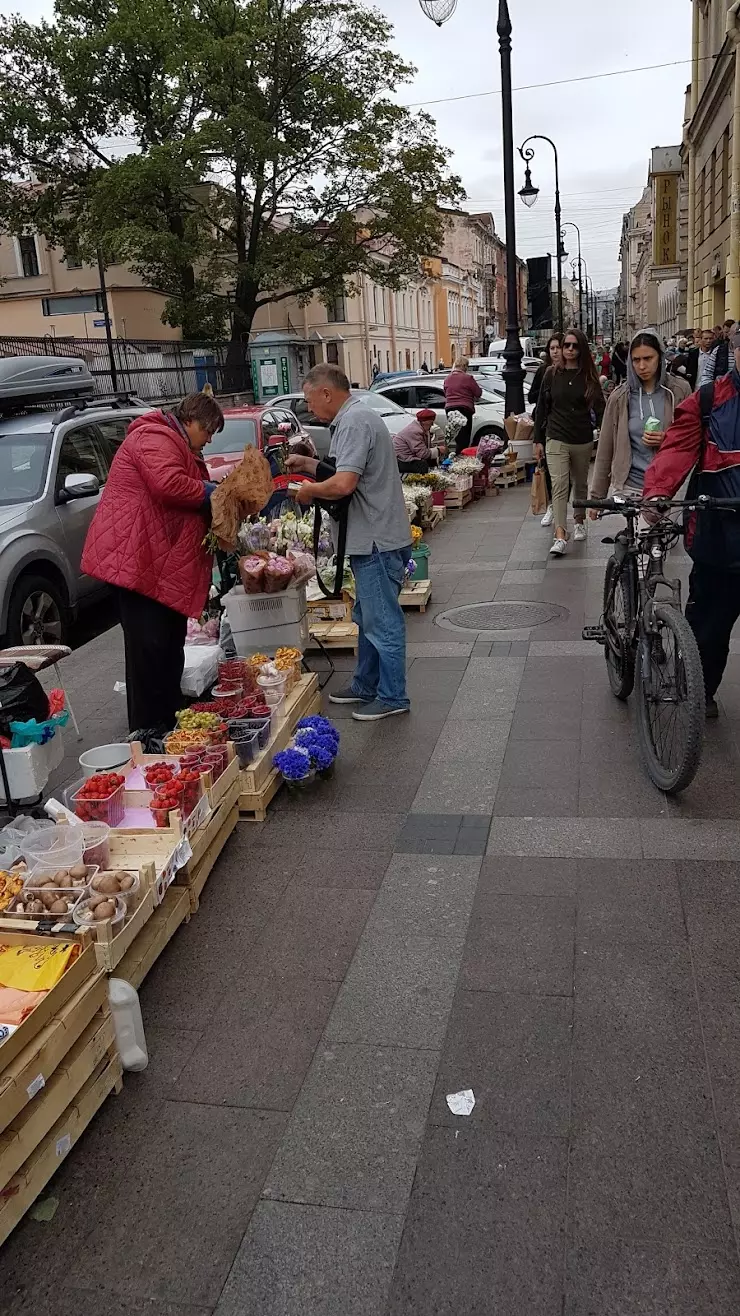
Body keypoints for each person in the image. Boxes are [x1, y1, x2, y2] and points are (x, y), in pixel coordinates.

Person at [81, 392, 223, 734]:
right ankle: (147, 735)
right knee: (149, 653)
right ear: (191, 422)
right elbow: (169, 485)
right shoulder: (153, 436)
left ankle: (169, 725)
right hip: (136, 564)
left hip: (155, 564)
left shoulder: (173, 441)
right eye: (208, 432)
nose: (208, 441)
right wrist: (213, 492)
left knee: (169, 647)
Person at [288, 363, 412, 720]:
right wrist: (309, 464)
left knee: (382, 622)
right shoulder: (355, 418)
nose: (309, 408)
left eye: (311, 400)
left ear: (327, 393)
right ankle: (366, 685)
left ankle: (392, 697)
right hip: (373, 537)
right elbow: (342, 471)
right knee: (367, 616)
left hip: (375, 540)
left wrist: (309, 490)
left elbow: (343, 484)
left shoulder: (355, 422)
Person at [643, 325, 740, 718]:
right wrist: (658, 492)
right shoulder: (709, 399)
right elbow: (676, 449)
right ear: (735, 351)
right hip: (720, 542)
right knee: (709, 633)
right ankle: (702, 695)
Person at [590, 328, 691, 508]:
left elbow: (691, 437)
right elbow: (605, 446)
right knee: (640, 533)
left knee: (663, 534)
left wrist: (666, 438)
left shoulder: (679, 390)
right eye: (636, 360)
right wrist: (597, 497)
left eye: (648, 358)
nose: (642, 366)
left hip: (669, 485)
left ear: (660, 357)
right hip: (631, 485)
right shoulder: (620, 397)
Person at [533, 326, 605, 556]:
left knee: (581, 483)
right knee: (560, 485)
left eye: (575, 345)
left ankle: (580, 520)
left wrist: (605, 434)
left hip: (582, 438)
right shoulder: (551, 374)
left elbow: (601, 408)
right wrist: (538, 440)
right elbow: (542, 409)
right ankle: (560, 534)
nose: (570, 349)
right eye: (566, 345)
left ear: (581, 349)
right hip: (556, 436)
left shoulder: (588, 376)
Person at [529, 333, 563, 527]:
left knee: (567, 474)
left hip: (566, 428)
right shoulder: (543, 371)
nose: (556, 351)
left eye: (558, 347)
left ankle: (569, 510)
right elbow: (533, 397)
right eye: (552, 348)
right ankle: (552, 506)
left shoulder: (571, 370)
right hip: (547, 425)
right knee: (550, 470)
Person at [442, 356, 482, 454]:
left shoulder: (447, 378)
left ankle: (455, 455)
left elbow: (445, 392)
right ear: (465, 366)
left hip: (450, 408)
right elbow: (478, 392)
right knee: (465, 436)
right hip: (464, 408)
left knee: (456, 434)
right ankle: (461, 458)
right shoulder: (468, 378)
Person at [393, 408, 438, 473]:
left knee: (431, 460)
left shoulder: (422, 428)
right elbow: (423, 454)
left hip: (408, 457)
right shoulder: (414, 431)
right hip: (402, 460)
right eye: (431, 422)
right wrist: (438, 450)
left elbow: (426, 449)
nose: (432, 425)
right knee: (422, 465)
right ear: (425, 422)